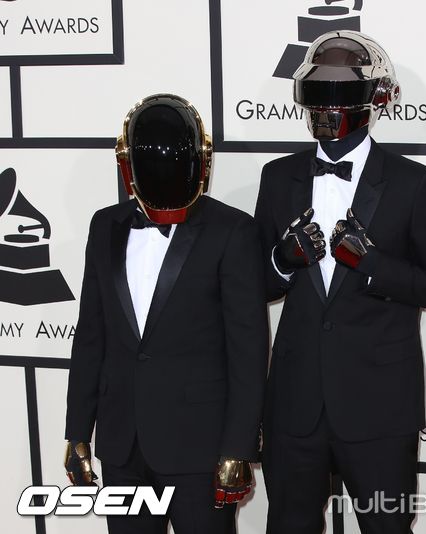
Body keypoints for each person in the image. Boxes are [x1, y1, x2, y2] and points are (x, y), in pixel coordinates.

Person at [254, 31, 426, 534]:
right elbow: (255, 286)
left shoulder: (415, 184)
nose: (327, 109)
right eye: (319, 93)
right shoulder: (277, 177)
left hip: (379, 410)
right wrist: (282, 260)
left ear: (375, 99)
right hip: (295, 408)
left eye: (340, 94)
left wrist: (373, 265)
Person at [64, 94, 268, 534]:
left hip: (199, 449)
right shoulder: (105, 226)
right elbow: (91, 336)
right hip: (121, 447)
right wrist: (77, 431)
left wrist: (238, 448)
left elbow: (248, 351)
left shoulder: (233, 231)